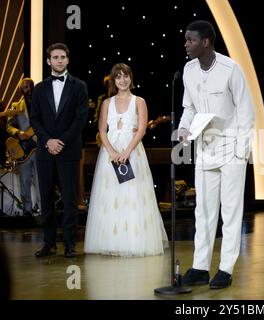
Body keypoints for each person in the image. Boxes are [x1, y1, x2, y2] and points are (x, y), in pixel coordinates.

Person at [178, 20, 255, 289]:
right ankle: (200, 266)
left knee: (231, 211)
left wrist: (242, 150)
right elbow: (189, 106)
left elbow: (246, 111)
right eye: (186, 40)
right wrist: (184, 128)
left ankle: (225, 267)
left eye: (191, 40)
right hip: (205, 148)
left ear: (206, 41)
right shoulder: (188, 71)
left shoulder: (231, 69)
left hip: (231, 146)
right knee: (204, 210)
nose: (186, 44)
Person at [84, 63, 168, 257]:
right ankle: (111, 242)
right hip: (110, 154)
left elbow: (141, 129)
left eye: (126, 76)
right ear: (114, 80)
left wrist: (127, 151)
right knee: (110, 196)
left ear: (131, 78)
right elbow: (102, 130)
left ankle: (134, 242)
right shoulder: (107, 103)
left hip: (133, 153)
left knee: (132, 195)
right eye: (118, 77)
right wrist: (112, 152)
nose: (123, 80)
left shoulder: (139, 101)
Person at [30, 43, 89, 258]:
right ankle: (48, 243)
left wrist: (60, 141)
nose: (59, 60)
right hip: (45, 151)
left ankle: (69, 244)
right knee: (45, 197)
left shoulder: (79, 86)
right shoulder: (39, 88)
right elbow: (34, 118)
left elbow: (81, 118)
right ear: (48, 61)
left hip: (69, 150)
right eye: (55, 57)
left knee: (69, 199)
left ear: (68, 60)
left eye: (63, 57)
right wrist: (48, 141)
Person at [6, 78, 41, 217]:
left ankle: (42, 211)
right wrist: (18, 133)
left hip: (39, 148)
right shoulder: (16, 106)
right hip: (23, 149)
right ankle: (27, 211)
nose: (28, 89)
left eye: (30, 86)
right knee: (24, 181)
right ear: (21, 90)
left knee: (41, 182)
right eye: (25, 87)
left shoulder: (41, 105)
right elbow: (9, 126)